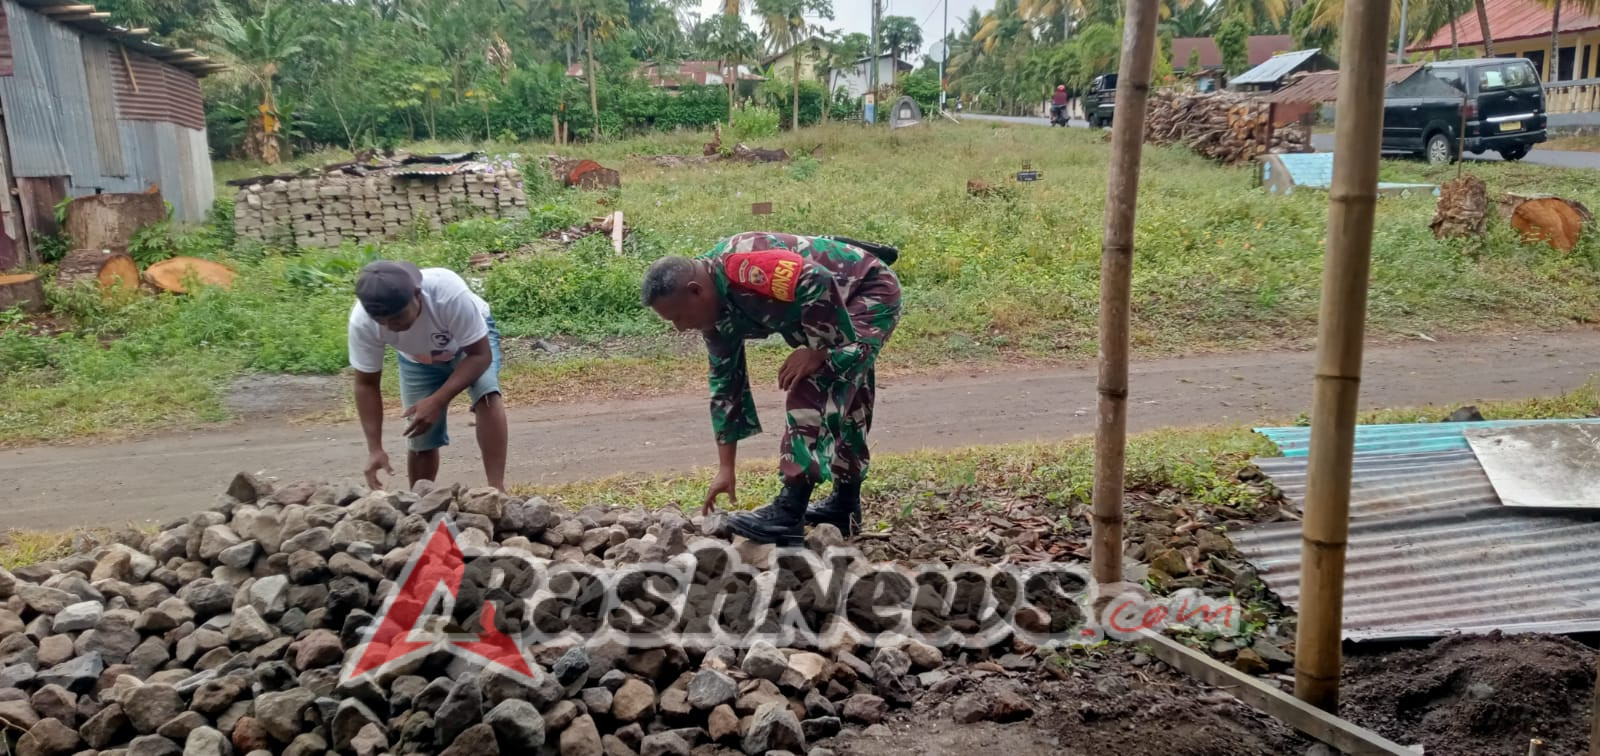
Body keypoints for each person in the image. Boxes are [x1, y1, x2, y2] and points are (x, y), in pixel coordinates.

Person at [642, 232, 902, 546]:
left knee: (818, 377)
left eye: (680, 317)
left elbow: (816, 277)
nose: (681, 328)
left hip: (867, 290)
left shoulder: (741, 266)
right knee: (847, 387)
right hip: (832, 304)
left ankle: (788, 513)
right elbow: (727, 386)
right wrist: (726, 469)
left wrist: (817, 350)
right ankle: (844, 506)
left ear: (695, 291)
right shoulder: (715, 315)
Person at [348, 260, 508, 492]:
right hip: (417, 357)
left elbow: (480, 356)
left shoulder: (448, 293)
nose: (391, 327)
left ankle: (496, 491)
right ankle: (420, 502)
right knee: (420, 433)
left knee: (487, 395)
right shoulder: (363, 322)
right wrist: (375, 448)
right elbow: (366, 385)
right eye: (383, 322)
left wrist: (437, 400)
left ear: (417, 294)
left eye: (398, 317)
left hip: (468, 346)